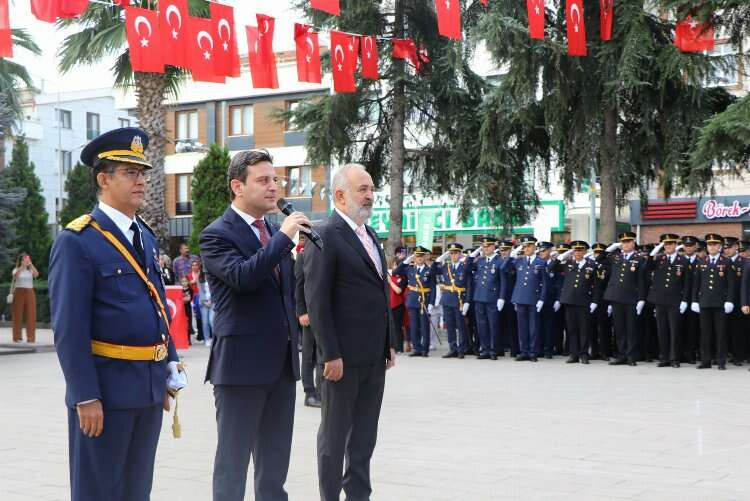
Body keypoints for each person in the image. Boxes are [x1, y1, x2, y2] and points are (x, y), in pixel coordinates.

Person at [48, 127, 186, 501]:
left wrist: (168, 365)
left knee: (136, 491)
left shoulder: (145, 236)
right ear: (103, 179)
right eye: (129, 172)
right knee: (98, 491)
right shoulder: (78, 241)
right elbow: (69, 328)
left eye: (142, 172)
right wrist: (85, 396)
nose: (141, 180)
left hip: (147, 389)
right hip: (105, 395)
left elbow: (157, 305)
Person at [200, 149, 305, 501]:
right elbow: (243, 278)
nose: (273, 186)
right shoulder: (216, 234)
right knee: (232, 465)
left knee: (274, 466)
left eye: (274, 179)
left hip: (282, 365)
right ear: (238, 187)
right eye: (263, 180)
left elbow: (286, 294)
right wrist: (283, 239)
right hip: (240, 367)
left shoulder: (274, 232)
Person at [303, 163, 395, 501]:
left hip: (372, 357)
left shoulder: (370, 235)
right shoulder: (325, 235)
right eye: (363, 189)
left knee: (364, 437)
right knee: (334, 438)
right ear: (340, 196)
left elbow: (380, 293)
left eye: (371, 189)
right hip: (340, 360)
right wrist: (330, 353)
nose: (370, 195)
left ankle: (359, 495)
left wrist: (389, 344)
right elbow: (317, 300)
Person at [599, 232, 648, 366]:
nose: (625, 244)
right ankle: (621, 355)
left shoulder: (639, 259)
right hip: (616, 297)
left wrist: (641, 299)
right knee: (619, 329)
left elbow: (642, 280)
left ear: (633, 243)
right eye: (623, 242)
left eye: (628, 242)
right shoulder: (616, 257)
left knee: (631, 329)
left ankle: (631, 356)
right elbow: (600, 259)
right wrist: (611, 247)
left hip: (632, 298)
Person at [551, 241, 600, 364]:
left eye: (580, 250)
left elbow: (597, 285)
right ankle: (574, 354)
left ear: (584, 251)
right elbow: (551, 267)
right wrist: (562, 256)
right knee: (572, 329)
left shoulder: (592, 265)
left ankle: (583, 354)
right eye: (575, 250)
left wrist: (595, 301)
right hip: (569, 301)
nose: (577, 253)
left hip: (584, 301)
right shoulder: (568, 263)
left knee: (584, 329)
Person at [692, 233, 735, 370]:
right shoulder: (701, 261)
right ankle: (706, 360)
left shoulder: (726, 262)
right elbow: (696, 283)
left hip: (720, 303)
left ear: (719, 247)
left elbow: (731, 284)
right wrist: (694, 301)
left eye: (714, 244)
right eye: (709, 245)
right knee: (705, 333)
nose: (711, 247)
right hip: (704, 302)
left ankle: (721, 360)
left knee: (720, 333)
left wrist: (729, 301)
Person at [646, 234, 690, 368]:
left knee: (675, 331)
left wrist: (685, 300)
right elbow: (647, 266)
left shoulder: (683, 260)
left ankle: (675, 358)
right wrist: (654, 251)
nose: (668, 246)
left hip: (675, 300)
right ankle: (664, 357)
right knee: (662, 330)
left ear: (675, 245)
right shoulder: (659, 259)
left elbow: (687, 283)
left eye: (670, 244)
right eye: (666, 244)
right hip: (660, 300)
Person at [503, 235, 548, 362]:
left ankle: (533, 352)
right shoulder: (518, 261)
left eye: (529, 246)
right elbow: (503, 268)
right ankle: (524, 351)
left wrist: (542, 299)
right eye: (524, 246)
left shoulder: (541, 262)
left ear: (534, 247)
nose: (526, 248)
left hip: (534, 298)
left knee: (533, 327)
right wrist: (513, 253)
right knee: (522, 327)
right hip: (520, 297)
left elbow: (545, 283)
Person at [394, 246, 436, 357]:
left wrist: (431, 303)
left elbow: (433, 288)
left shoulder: (429, 270)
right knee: (414, 326)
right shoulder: (410, 269)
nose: (419, 258)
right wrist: (406, 261)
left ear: (425, 257)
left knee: (424, 326)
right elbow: (395, 272)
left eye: (421, 256)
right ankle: (417, 348)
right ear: (414, 257)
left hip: (424, 301)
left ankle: (425, 349)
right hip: (412, 300)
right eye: (417, 256)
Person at [295, 237, 322, 408]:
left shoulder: (326, 254)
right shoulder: (302, 257)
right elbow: (298, 286)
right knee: (308, 355)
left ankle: (322, 390)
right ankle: (309, 392)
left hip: (326, 314)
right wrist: (302, 312)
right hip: (309, 314)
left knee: (324, 353)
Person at [470, 237, 503, 359]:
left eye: (488, 246)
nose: (486, 248)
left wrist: (501, 298)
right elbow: (467, 266)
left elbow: (503, 281)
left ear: (494, 247)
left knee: (493, 325)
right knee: (481, 325)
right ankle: (485, 349)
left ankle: (493, 350)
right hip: (479, 296)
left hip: (492, 297)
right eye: (484, 246)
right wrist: (474, 254)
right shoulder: (480, 260)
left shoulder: (499, 261)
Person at [436, 243, 471, 358]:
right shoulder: (445, 267)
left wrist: (467, 301)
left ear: (460, 254)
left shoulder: (465, 267)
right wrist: (443, 256)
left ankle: (461, 349)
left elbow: (469, 285)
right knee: (450, 326)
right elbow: (434, 267)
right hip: (447, 299)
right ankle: (453, 348)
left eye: (456, 253)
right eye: (451, 253)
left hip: (459, 300)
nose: (453, 255)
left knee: (461, 326)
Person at [723, 236, 746, 365]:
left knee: (738, 330)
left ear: (736, 247)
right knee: (725, 330)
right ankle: (727, 353)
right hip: (724, 301)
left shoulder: (744, 262)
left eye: (729, 247)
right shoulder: (722, 262)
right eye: (724, 248)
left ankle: (738, 356)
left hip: (738, 301)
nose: (726, 250)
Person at [10, 253, 39, 344]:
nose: (26, 261)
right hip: (19, 292)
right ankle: (17, 337)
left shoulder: (30, 270)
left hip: (30, 292)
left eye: (27, 259)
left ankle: (31, 337)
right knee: (17, 315)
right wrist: (22, 267)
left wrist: (30, 264)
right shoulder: (16, 269)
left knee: (31, 315)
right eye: (24, 259)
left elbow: (36, 274)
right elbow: (15, 276)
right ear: (20, 261)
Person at [387, 259, 408, 353]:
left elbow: (398, 290)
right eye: (394, 265)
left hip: (398, 305)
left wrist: (390, 282)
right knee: (390, 327)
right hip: (389, 305)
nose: (394, 267)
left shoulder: (403, 277)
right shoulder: (390, 276)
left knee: (397, 327)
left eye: (396, 265)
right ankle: (391, 346)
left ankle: (399, 347)